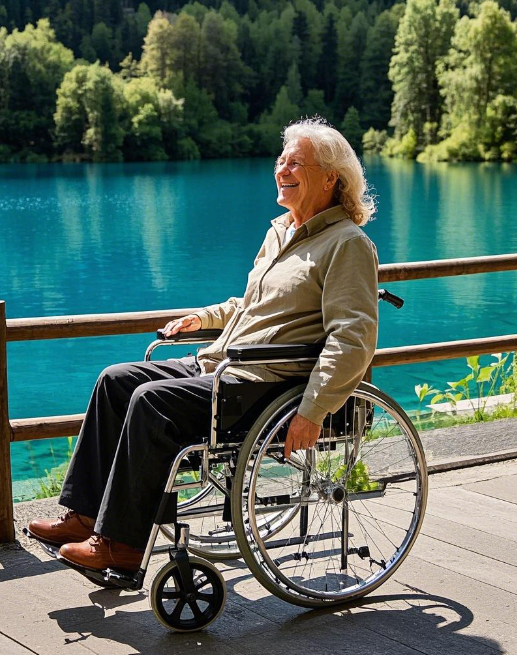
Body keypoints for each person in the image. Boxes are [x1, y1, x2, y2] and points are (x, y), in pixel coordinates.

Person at [28, 117, 379, 573]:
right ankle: (84, 516)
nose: (282, 169)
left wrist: (313, 410)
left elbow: (353, 339)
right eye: (281, 160)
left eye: (296, 162)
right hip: (222, 366)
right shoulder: (281, 232)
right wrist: (203, 319)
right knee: (115, 381)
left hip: (267, 386)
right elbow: (249, 304)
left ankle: (123, 546)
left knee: (151, 402)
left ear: (331, 177)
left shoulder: (347, 243)